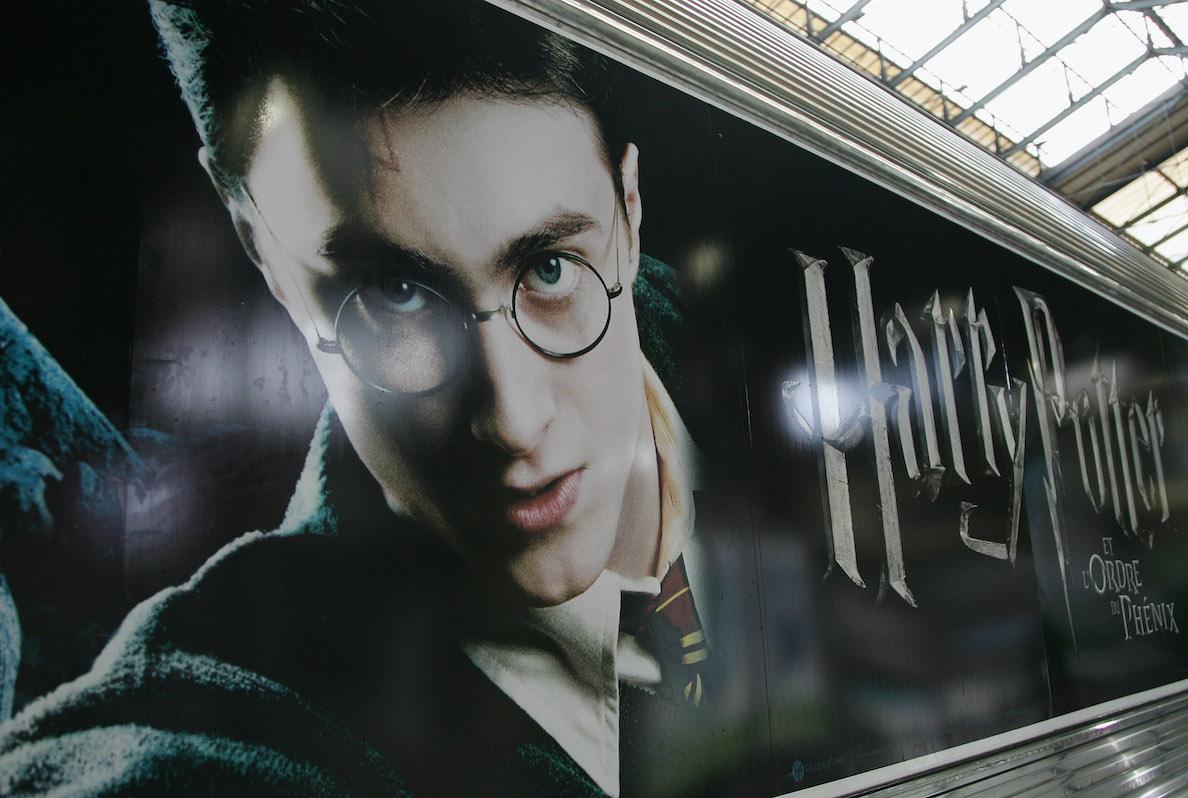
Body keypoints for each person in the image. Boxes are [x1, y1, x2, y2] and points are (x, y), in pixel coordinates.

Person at [0, 1, 725, 795]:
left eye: (548, 268)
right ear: (258, 247)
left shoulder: (705, 332)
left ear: (629, 210)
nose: (514, 421)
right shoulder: (220, 742)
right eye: (397, 293)